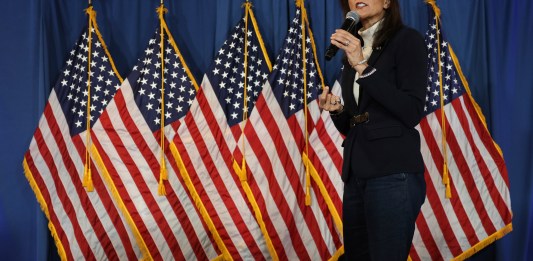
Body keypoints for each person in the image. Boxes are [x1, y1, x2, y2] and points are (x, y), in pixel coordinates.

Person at [319, 0, 428, 260]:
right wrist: (337, 111)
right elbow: (358, 122)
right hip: (357, 172)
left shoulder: (406, 41)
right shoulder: (353, 47)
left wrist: (362, 66)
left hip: (392, 172)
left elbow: (411, 110)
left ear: (387, 2)